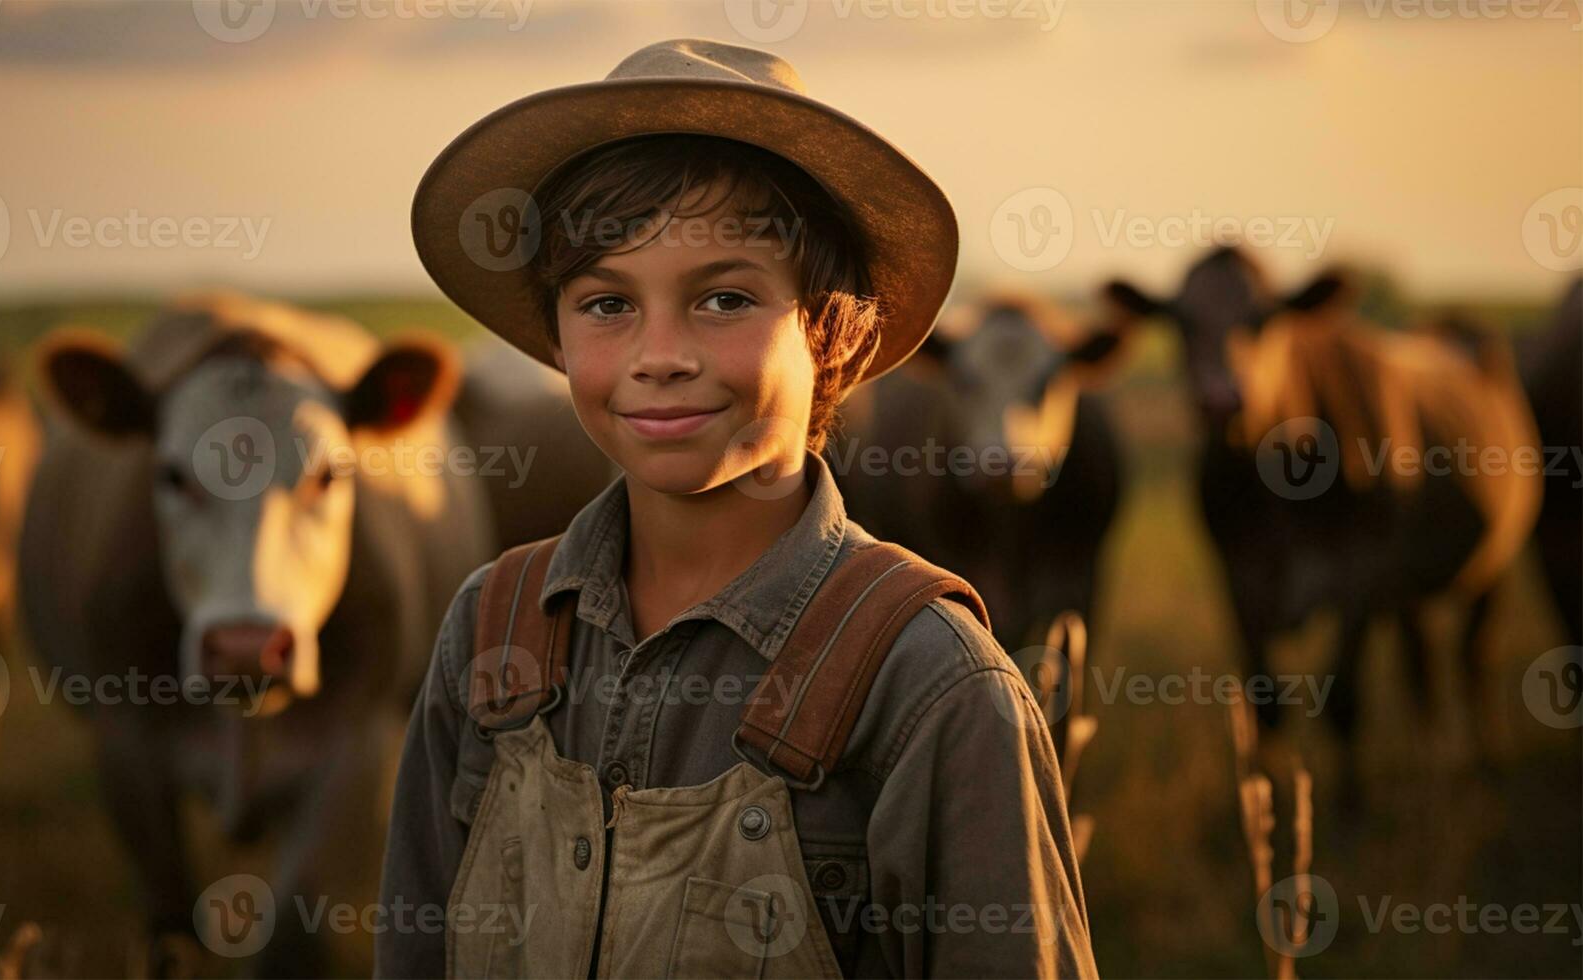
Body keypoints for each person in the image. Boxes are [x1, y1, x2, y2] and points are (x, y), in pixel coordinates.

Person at [377, 37, 1097, 979]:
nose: (658, 353)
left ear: (832, 332)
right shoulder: (488, 629)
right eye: (605, 304)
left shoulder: (931, 685)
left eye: (723, 297)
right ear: (554, 336)